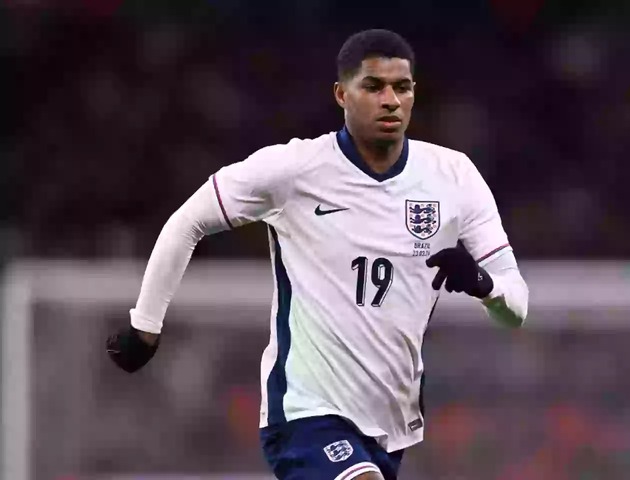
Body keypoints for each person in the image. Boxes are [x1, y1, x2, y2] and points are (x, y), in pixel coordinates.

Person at [106, 28, 529, 480]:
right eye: (373, 86)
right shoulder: (294, 170)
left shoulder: (454, 176)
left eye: (401, 87)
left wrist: (484, 286)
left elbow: (516, 309)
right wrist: (144, 325)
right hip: (305, 413)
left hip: (390, 421)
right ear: (341, 94)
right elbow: (187, 221)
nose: (390, 100)